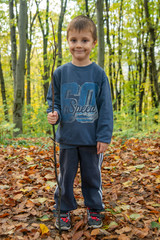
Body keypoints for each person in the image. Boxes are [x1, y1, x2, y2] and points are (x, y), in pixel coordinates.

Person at [47, 15, 113, 230]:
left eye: (84, 40)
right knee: (65, 177)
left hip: (91, 140)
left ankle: (94, 208)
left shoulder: (99, 74)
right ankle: (63, 210)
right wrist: (54, 113)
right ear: (67, 42)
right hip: (67, 138)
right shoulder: (60, 73)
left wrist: (104, 136)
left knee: (92, 177)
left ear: (93, 43)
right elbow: (53, 101)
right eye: (74, 40)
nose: (79, 45)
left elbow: (106, 108)